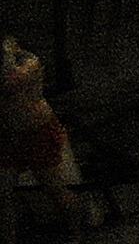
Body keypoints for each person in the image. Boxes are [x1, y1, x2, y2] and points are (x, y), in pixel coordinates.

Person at [0, 37, 96, 234]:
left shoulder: (29, 64)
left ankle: (76, 231)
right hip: (9, 136)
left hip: (38, 132)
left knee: (55, 189)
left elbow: (11, 82)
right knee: (2, 195)